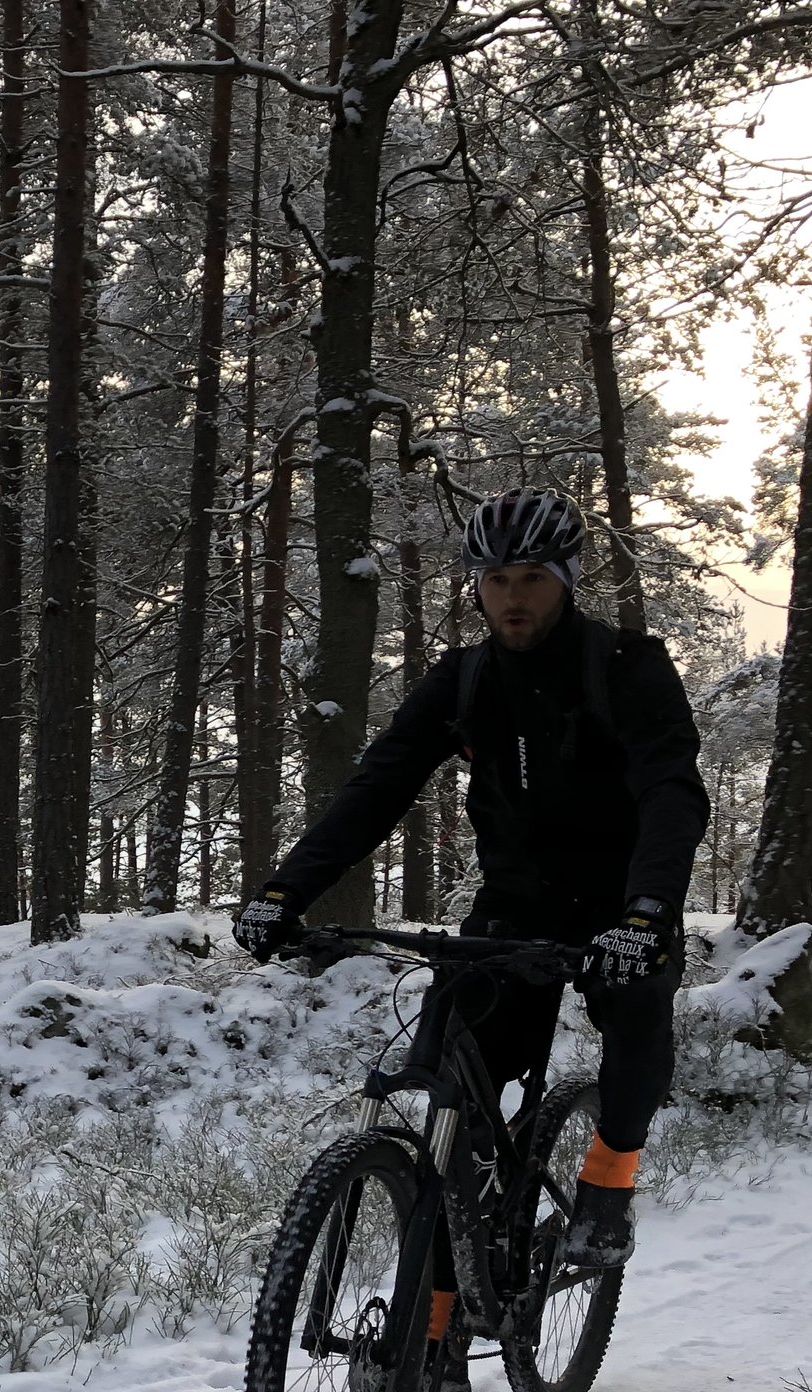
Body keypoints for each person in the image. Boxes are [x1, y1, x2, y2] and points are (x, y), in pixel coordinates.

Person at [233, 487, 709, 1314]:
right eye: (493, 580)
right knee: (462, 1096)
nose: (511, 597)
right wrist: (285, 889)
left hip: (620, 903)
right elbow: (377, 788)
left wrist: (647, 911)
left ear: (565, 578)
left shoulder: (629, 669)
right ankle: (439, 1324)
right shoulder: (465, 680)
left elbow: (671, 791)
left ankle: (606, 1191)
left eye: (530, 577)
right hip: (514, 907)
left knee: (637, 1011)